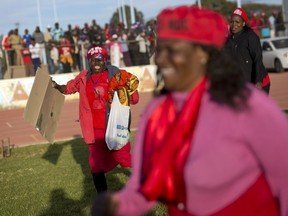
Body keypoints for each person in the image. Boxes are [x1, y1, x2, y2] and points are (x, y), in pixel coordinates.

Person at [91, 6, 288, 216]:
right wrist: (118, 205)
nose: (160, 59)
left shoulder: (250, 106)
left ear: (203, 54)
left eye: (172, 50)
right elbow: (146, 184)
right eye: (161, 49)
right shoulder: (156, 114)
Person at [52, 46, 140, 194]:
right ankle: (103, 198)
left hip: (115, 127)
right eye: (93, 60)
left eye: (100, 59)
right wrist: (56, 86)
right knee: (96, 165)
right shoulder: (83, 77)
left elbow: (134, 98)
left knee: (124, 159)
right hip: (94, 130)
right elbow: (68, 88)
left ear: (105, 60)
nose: (96, 62)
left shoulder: (115, 75)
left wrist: (129, 90)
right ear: (89, 62)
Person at [225, 8, 271, 94]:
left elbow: (257, 59)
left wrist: (258, 81)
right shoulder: (229, 40)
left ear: (243, 23)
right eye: (232, 22)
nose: (234, 24)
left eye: (237, 22)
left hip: (259, 83)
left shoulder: (251, 37)